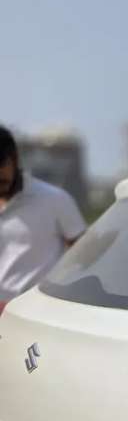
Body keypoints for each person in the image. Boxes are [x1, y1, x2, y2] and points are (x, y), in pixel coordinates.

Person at [0, 125, 86, 311]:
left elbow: (85, 257)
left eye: (0, 165)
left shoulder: (55, 200)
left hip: (36, 313)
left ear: (14, 159)